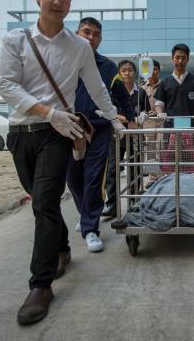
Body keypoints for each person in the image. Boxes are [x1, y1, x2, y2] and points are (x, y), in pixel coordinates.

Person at [0, 0, 124, 325]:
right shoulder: (16, 40)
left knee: (46, 202)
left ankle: (40, 284)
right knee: (43, 203)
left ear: (70, 3)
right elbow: (6, 86)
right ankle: (63, 247)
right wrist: (47, 111)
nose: (58, 1)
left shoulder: (79, 46)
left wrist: (114, 118)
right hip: (22, 132)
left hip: (58, 135)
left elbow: (97, 88)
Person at [66, 17, 134, 253]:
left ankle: (90, 229)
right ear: (76, 33)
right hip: (69, 128)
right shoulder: (63, 61)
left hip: (100, 129)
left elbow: (123, 97)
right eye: (86, 32)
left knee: (94, 178)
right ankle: (85, 212)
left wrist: (130, 120)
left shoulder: (108, 67)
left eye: (96, 34)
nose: (91, 37)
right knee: (73, 178)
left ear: (100, 39)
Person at [102, 60, 140, 218]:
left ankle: (134, 202)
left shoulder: (141, 93)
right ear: (119, 73)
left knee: (135, 168)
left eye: (130, 70)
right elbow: (108, 111)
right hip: (115, 135)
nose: (127, 73)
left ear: (135, 72)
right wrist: (128, 119)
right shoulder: (111, 91)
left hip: (135, 136)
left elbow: (147, 111)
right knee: (113, 169)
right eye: (123, 70)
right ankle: (112, 205)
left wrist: (142, 117)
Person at [154, 44, 194, 121]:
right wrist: (159, 113)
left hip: (191, 126)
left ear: (188, 59)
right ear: (172, 58)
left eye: (183, 58)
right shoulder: (164, 82)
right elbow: (159, 103)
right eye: (177, 57)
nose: (180, 61)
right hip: (171, 127)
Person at [135, 60, 164, 189]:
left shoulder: (164, 85)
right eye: (151, 69)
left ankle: (163, 178)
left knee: (162, 149)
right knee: (151, 152)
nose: (153, 72)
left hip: (162, 123)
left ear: (159, 70)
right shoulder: (141, 87)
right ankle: (153, 178)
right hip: (148, 124)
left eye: (156, 69)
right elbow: (139, 106)